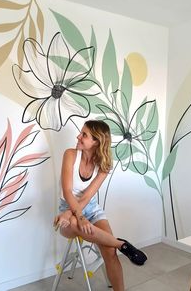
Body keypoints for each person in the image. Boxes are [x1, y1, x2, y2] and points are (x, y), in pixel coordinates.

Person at [54, 120, 147, 291]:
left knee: (109, 252)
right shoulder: (70, 155)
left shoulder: (104, 165)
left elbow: (87, 196)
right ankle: (121, 244)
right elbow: (67, 191)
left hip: (90, 208)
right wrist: (75, 216)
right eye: (80, 133)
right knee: (75, 224)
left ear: (96, 141)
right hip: (67, 208)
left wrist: (76, 214)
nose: (78, 136)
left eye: (84, 135)